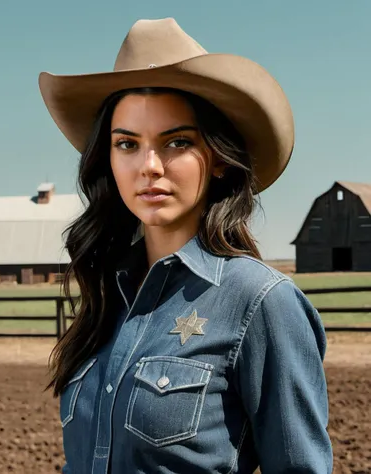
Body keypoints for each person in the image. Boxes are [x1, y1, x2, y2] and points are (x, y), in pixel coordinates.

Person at [39, 18, 333, 474]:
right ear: (107, 159)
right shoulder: (108, 295)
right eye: (127, 143)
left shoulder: (261, 303)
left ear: (217, 159)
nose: (149, 166)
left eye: (176, 141)